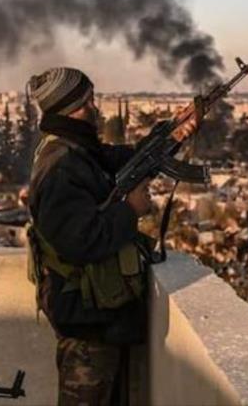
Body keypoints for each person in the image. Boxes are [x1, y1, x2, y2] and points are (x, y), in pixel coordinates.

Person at [25, 67, 195, 405]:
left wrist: (173, 132)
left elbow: (129, 160)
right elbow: (81, 241)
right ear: (68, 107)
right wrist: (130, 209)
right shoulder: (61, 164)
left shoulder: (77, 149)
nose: (94, 107)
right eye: (87, 101)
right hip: (86, 321)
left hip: (98, 314)